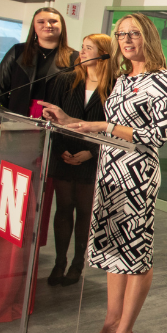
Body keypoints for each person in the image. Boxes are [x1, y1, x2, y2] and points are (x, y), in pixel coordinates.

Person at [39, 13, 167, 333]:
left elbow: (154, 137)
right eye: (121, 35)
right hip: (109, 172)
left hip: (137, 177)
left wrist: (99, 124)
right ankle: (111, 324)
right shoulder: (123, 79)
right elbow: (109, 134)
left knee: (135, 253)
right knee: (115, 252)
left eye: (134, 33)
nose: (127, 40)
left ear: (147, 36)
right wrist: (68, 121)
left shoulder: (164, 81)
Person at [45, 34, 114, 287]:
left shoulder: (115, 85)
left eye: (88, 49)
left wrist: (92, 152)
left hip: (93, 157)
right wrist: (61, 149)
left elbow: (113, 127)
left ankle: (77, 264)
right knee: (63, 209)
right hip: (63, 154)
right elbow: (52, 117)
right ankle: (59, 262)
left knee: (85, 211)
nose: (81, 53)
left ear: (104, 53)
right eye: (82, 48)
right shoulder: (64, 80)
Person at [0, 7, 77, 142]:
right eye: (41, 22)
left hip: (54, 125)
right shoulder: (17, 51)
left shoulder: (75, 58)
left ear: (62, 26)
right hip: (15, 119)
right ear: (34, 27)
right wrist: (1, 122)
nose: (47, 25)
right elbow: (0, 91)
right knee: (13, 162)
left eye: (53, 21)